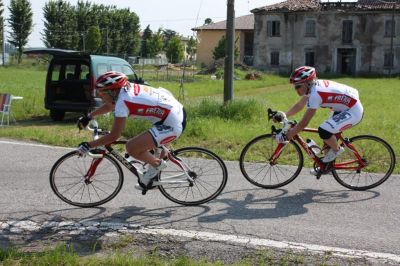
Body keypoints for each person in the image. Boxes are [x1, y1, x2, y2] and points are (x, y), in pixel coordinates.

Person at [76, 71, 186, 190]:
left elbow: (114, 135)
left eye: (102, 92)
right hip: (171, 112)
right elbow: (110, 105)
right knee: (147, 149)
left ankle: (158, 165)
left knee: (132, 147)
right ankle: (153, 174)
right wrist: (90, 116)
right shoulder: (122, 91)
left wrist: (88, 145)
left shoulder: (123, 101)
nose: (100, 95)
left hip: (172, 122)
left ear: (113, 91)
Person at [275, 66, 364, 166]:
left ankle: (337, 150)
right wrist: (284, 114)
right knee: (327, 140)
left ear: (307, 83)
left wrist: (288, 135)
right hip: (342, 108)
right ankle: (327, 167)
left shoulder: (315, 94)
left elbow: (304, 123)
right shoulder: (311, 87)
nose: (296, 90)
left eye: (297, 86)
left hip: (353, 110)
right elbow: (300, 105)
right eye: (295, 86)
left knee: (324, 131)